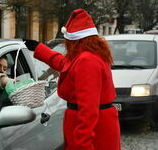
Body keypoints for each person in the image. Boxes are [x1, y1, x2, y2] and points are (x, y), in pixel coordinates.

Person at [24, 9, 121, 150]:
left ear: (74, 39)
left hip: (94, 130)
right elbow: (65, 64)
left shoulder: (87, 60)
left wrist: (83, 144)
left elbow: (88, 110)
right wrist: (39, 48)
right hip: (97, 123)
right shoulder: (86, 56)